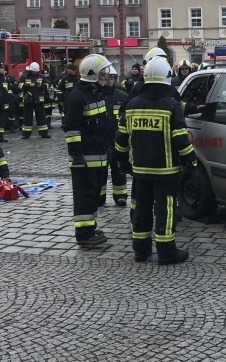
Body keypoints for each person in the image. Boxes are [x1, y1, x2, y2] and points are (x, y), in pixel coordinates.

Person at [115, 57, 196, 264]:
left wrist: (123, 163)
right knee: (166, 209)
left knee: (141, 208)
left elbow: (121, 139)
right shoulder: (171, 105)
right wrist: (191, 162)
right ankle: (166, 252)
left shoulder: (132, 105)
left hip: (140, 170)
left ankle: (140, 251)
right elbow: (180, 138)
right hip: (166, 170)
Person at [64, 54, 113, 247]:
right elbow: (72, 130)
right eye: (102, 73)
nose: (106, 76)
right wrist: (76, 156)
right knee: (84, 196)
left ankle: (90, 228)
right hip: (84, 159)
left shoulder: (94, 93)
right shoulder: (77, 97)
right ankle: (84, 234)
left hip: (98, 157)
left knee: (93, 196)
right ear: (92, 74)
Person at [100, 66, 130, 207]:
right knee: (100, 170)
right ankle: (99, 197)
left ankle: (121, 195)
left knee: (118, 169)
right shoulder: (97, 95)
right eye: (107, 78)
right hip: (102, 139)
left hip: (117, 139)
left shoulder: (122, 96)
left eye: (112, 78)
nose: (110, 81)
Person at [20, 62, 51, 139]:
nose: (34, 72)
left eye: (35, 71)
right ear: (30, 70)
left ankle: (44, 133)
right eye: (33, 71)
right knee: (27, 117)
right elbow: (19, 85)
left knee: (41, 117)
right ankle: (26, 134)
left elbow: (47, 85)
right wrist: (28, 85)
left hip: (39, 99)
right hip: (28, 99)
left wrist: (41, 85)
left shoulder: (41, 76)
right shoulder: (24, 76)